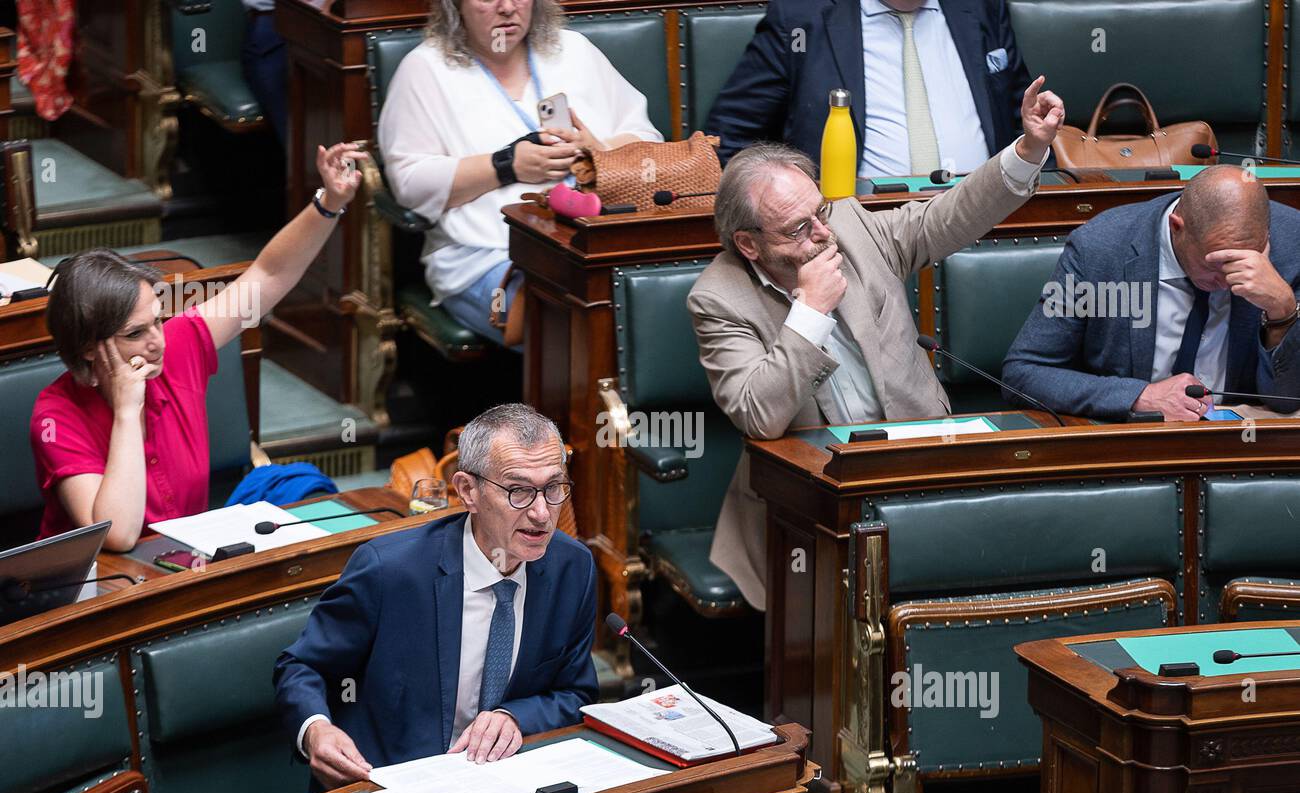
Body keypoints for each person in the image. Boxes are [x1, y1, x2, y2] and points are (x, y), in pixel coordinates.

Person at [688, 78, 1063, 611]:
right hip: (810, 503)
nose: (822, 234)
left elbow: (947, 217)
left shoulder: (850, 226)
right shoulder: (718, 298)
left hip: (917, 469)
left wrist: (1028, 149)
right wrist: (810, 312)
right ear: (749, 244)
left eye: (820, 212)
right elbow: (758, 414)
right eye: (798, 228)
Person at [29, 141, 365, 551]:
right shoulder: (55, 415)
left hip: (187, 555)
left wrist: (329, 202)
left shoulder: (178, 343)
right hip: (103, 585)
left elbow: (270, 274)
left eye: (157, 320)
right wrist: (126, 411)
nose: (157, 343)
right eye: (135, 334)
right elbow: (117, 535)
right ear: (87, 347)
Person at [273, 403, 598, 789]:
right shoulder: (390, 570)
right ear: (467, 491)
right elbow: (300, 667)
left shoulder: (572, 567)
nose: (543, 513)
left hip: (506, 786)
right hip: (387, 790)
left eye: (554, 487)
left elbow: (576, 692)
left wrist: (516, 717)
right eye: (519, 491)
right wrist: (316, 731)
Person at [377, 0, 663, 347]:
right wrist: (505, 166)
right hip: (485, 263)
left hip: (598, 243)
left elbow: (648, 142)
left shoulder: (574, 50)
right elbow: (409, 185)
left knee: (651, 313)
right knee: (567, 325)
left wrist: (597, 151)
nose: (508, 7)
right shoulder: (425, 70)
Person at [1002, 165, 1300, 421]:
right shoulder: (1100, 250)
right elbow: (1024, 373)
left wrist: (1283, 311)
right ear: (1177, 228)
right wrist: (1140, 396)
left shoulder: (1292, 246)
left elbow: (1287, 400)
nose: (1230, 281)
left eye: (1248, 258)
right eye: (1216, 265)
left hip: (1244, 450)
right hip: (1139, 446)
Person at [706, 0, 1032, 176]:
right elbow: (728, 139)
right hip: (855, 234)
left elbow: (1023, 121)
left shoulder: (981, 6)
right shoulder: (801, 18)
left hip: (985, 218)